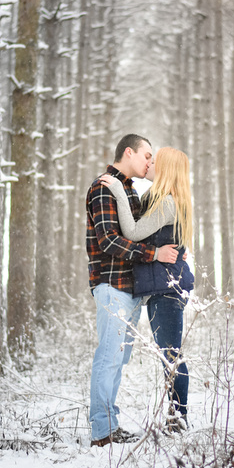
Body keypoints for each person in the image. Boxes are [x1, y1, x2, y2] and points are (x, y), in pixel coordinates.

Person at [86, 134, 180, 448]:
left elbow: (138, 231)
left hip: (131, 288)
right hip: (112, 285)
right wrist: (153, 255)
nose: (150, 163)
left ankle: (110, 424)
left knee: (118, 359)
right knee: (108, 357)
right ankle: (101, 431)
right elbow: (110, 242)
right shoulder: (103, 188)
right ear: (129, 152)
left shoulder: (128, 189)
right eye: (147, 156)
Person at [101, 147, 194, 432]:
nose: (149, 163)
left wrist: (117, 189)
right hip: (160, 287)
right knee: (168, 354)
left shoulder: (167, 202)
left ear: (166, 169)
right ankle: (175, 417)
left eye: (155, 161)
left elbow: (133, 233)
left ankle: (179, 419)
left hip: (167, 289)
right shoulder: (156, 198)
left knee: (171, 354)